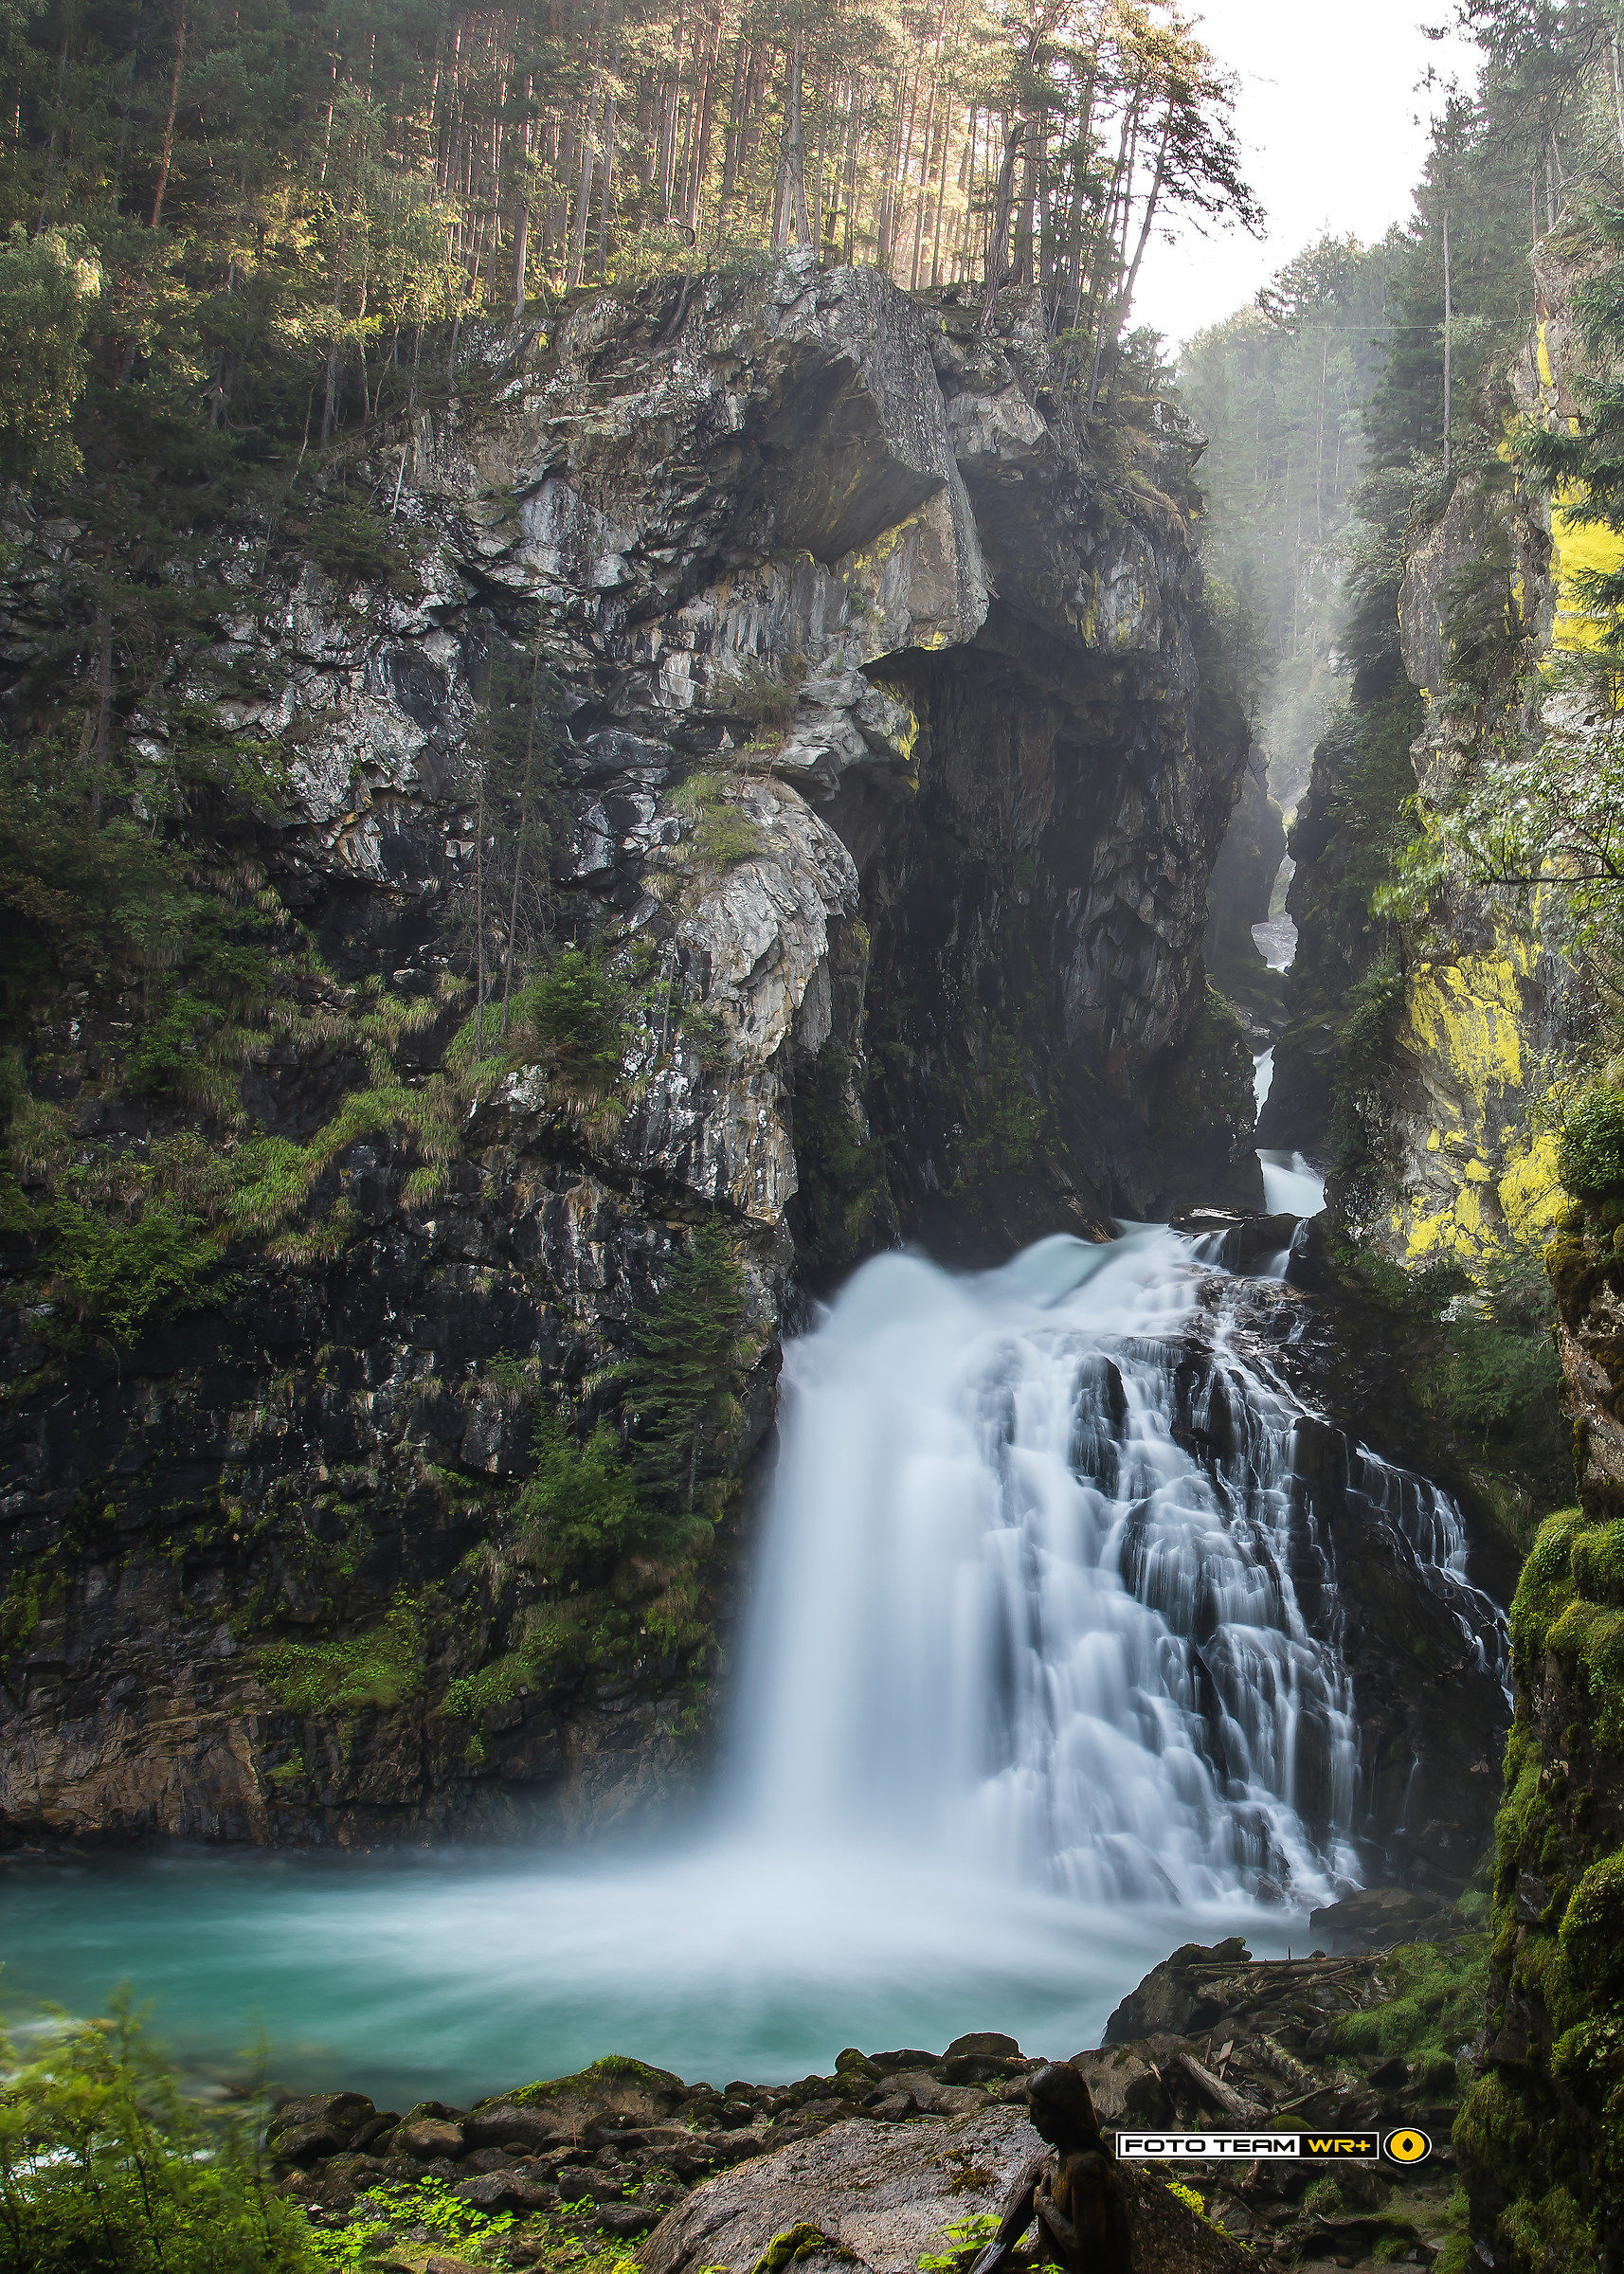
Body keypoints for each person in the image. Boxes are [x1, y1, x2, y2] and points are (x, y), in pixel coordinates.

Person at [966, 2065, 1132, 2274]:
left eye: (1039, 2112)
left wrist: (1046, 2207)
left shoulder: (1087, 2168)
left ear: (1064, 2113)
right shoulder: (1052, 2160)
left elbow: (1084, 2250)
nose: (1032, 2121)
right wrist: (1029, 2186)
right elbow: (1002, 2241)